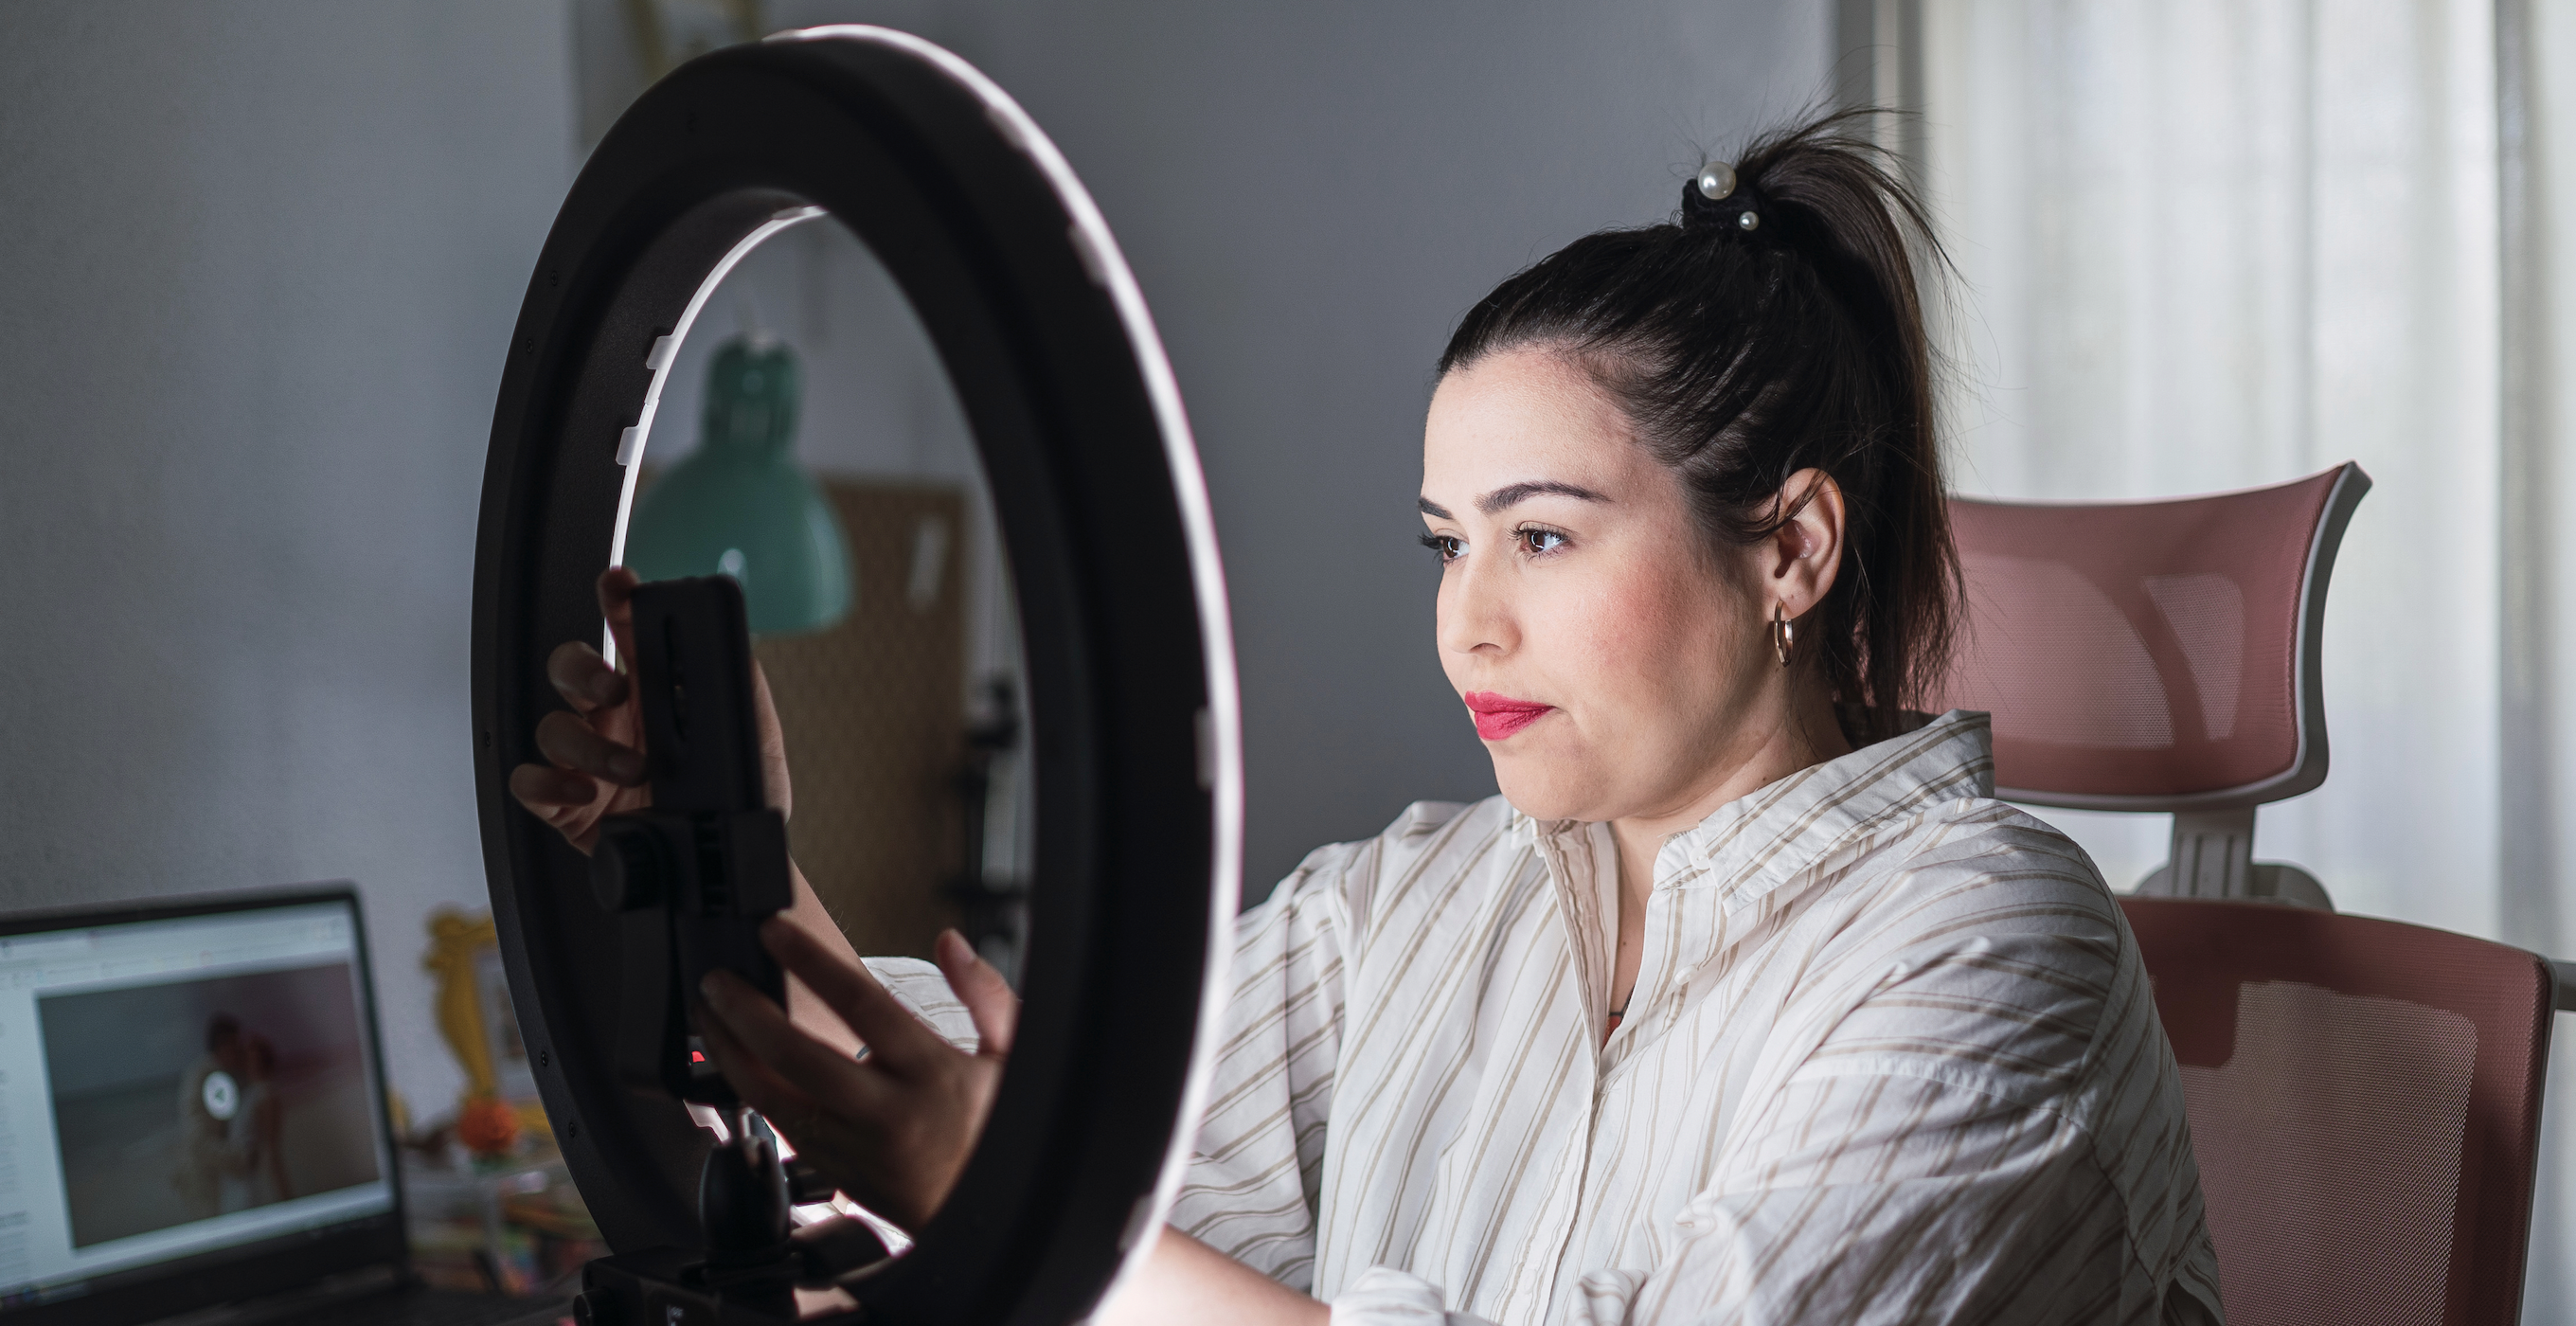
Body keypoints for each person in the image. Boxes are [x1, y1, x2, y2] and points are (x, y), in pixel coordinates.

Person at [512, 111, 2222, 1324]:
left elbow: (1013, 1181)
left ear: (1790, 547)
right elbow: (1035, 1122)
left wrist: (998, 1194)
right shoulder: (1418, 906)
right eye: (1445, 543)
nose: (1465, 617)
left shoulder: (1994, 950)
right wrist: (734, 867)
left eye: (1543, 535)